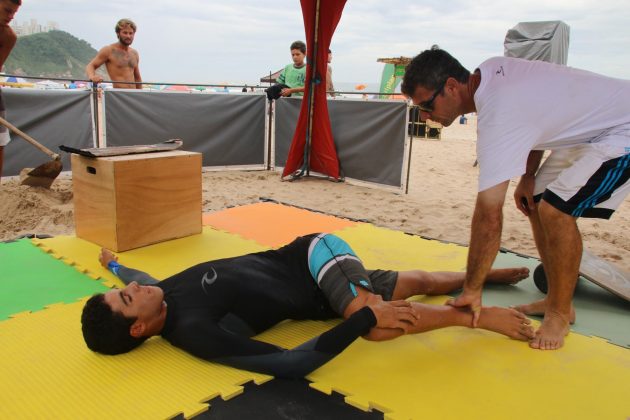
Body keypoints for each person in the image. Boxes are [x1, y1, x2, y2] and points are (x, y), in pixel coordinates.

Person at [401, 47, 630, 350]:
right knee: (536, 199)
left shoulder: (497, 112)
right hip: (592, 130)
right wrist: (529, 175)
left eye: (426, 106)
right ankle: (557, 299)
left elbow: (489, 216)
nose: (425, 116)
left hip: (622, 129)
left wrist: (472, 290)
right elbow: (539, 118)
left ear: (452, 86)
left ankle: (560, 313)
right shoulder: (490, 73)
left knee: (555, 210)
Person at [81, 233, 533, 378]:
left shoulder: (155, 292)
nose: (138, 290)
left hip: (315, 252)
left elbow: (139, 278)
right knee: (416, 284)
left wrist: (114, 265)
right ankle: (485, 280)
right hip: (321, 296)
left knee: (369, 322)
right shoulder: (193, 331)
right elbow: (293, 364)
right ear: (139, 328)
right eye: (127, 298)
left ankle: (475, 315)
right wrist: (365, 317)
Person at [86, 18, 142, 89]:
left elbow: (137, 78)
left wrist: (141, 95)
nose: (128, 36)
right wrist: (92, 77)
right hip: (118, 95)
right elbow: (90, 66)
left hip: (133, 95)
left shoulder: (134, 53)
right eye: (125, 33)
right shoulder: (109, 50)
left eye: (131, 33)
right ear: (118, 33)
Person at [0, 0, 20, 183]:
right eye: (7, 10)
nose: (11, 16)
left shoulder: (8, 37)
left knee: (0, 142)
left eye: (14, 13)